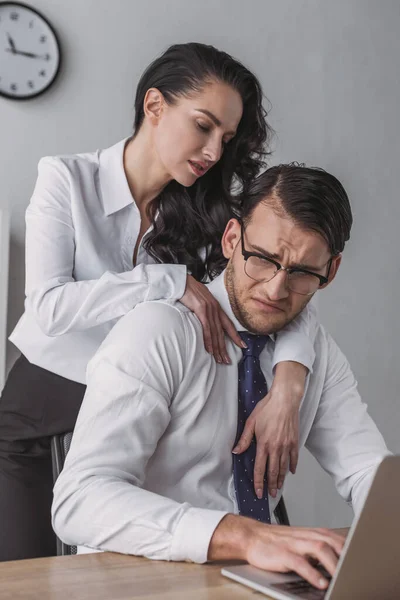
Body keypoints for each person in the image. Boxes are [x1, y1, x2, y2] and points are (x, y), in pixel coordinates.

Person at [0, 43, 317, 562]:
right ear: (154, 107)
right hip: (38, 415)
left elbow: (291, 278)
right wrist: (167, 281)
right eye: (203, 125)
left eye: (227, 137)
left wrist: (288, 386)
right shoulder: (66, 179)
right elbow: (49, 308)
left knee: (133, 576)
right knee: (23, 581)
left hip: (146, 428)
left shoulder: (212, 213)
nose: (214, 151)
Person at [52, 164, 389, 592]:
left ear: (331, 271)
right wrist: (242, 535)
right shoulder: (158, 331)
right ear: (232, 239)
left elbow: (368, 475)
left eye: (303, 273)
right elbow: (78, 501)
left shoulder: (315, 354)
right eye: (263, 259)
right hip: (135, 585)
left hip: (250, 586)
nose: (275, 290)